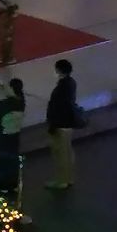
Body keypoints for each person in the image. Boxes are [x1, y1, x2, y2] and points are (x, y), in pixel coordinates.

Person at [45, 59, 78, 190]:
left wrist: (53, 125)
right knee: (68, 152)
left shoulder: (62, 87)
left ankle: (61, 180)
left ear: (59, 70)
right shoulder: (71, 83)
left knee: (61, 153)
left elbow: (59, 106)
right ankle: (68, 177)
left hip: (61, 124)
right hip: (68, 123)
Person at [0, 79, 26, 194]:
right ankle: (13, 184)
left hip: (5, 135)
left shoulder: (7, 103)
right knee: (13, 159)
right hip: (15, 134)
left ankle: (2, 185)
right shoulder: (21, 100)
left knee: (3, 160)